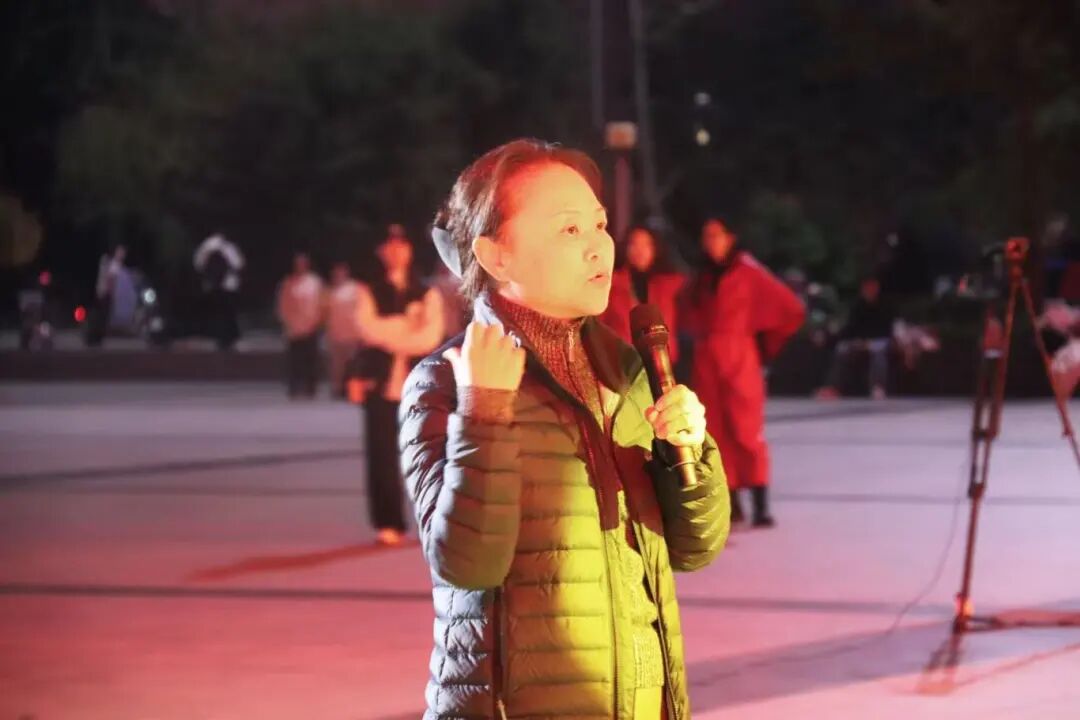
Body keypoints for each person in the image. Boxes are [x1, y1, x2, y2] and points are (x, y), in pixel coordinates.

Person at [399, 139, 729, 720]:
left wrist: (691, 452)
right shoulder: (446, 382)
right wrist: (484, 413)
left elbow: (693, 548)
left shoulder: (626, 369)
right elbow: (468, 563)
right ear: (496, 256)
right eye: (569, 230)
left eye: (599, 224)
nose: (598, 246)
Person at [682, 217, 804, 528]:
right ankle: (732, 502)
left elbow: (789, 308)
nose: (711, 242)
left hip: (739, 355)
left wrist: (765, 345)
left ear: (731, 237)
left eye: (717, 235)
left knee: (747, 431)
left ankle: (760, 503)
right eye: (706, 236)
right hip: (707, 357)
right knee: (715, 432)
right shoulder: (701, 276)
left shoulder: (748, 270)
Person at [351, 226, 444, 547]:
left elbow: (430, 337)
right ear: (380, 251)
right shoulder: (369, 291)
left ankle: (433, 517)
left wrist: (391, 332)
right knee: (380, 454)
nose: (395, 251)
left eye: (401, 244)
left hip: (418, 383)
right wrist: (405, 329)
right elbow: (366, 328)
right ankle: (388, 521)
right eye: (389, 245)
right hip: (379, 382)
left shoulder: (426, 292)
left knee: (426, 452)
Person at [600, 225, 687, 363]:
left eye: (646, 245)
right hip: (624, 364)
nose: (640, 250)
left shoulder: (668, 285)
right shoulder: (612, 284)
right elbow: (598, 327)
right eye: (634, 244)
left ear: (656, 249)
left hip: (662, 363)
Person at [815, 277, 895, 400]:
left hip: (879, 339)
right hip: (859, 340)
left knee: (878, 351)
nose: (870, 291)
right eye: (867, 288)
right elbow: (851, 328)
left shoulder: (885, 305)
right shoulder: (857, 305)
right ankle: (832, 387)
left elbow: (887, 329)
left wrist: (869, 341)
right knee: (842, 349)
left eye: (872, 287)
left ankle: (877, 387)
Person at [276, 252, 323, 399]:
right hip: (294, 328)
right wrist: (286, 323)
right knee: (294, 360)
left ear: (307, 265)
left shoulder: (315, 282)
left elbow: (321, 303)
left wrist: (317, 321)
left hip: (311, 327)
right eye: (298, 264)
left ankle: (310, 388)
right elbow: (282, 305)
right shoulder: (288, 282)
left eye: (303, 263)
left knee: (311, 359)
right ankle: (294, 388)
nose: (300, 266)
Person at [194, 232, 245, 350]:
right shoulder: (228, 247)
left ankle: (220, 338)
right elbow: (238, 264)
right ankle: (229, 338)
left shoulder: (205, 247)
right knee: (228, 312)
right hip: (228, 284)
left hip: (213, 284)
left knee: (218, 312)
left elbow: (198, 264)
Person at [323, 261, 362, 399]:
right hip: (335, 335)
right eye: (336, 273)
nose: (338, 275)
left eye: (341, 272)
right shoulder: (329, 291)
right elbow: (324, 313)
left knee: (352, 365)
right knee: (336, 365)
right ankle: (337, 389)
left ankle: (351, 391)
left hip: (352, 335)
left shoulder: (355, 289)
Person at [86, 244, 126, 346]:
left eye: (123, 253)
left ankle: (97, 337)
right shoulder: (113, 263)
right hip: (106, 293)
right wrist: (110, 292)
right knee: (102, 315)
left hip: (104, 292)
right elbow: (110, 279)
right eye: (120, 253)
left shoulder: (111, 263)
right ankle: (95, 336)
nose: (122, 255)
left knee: (103, 315)